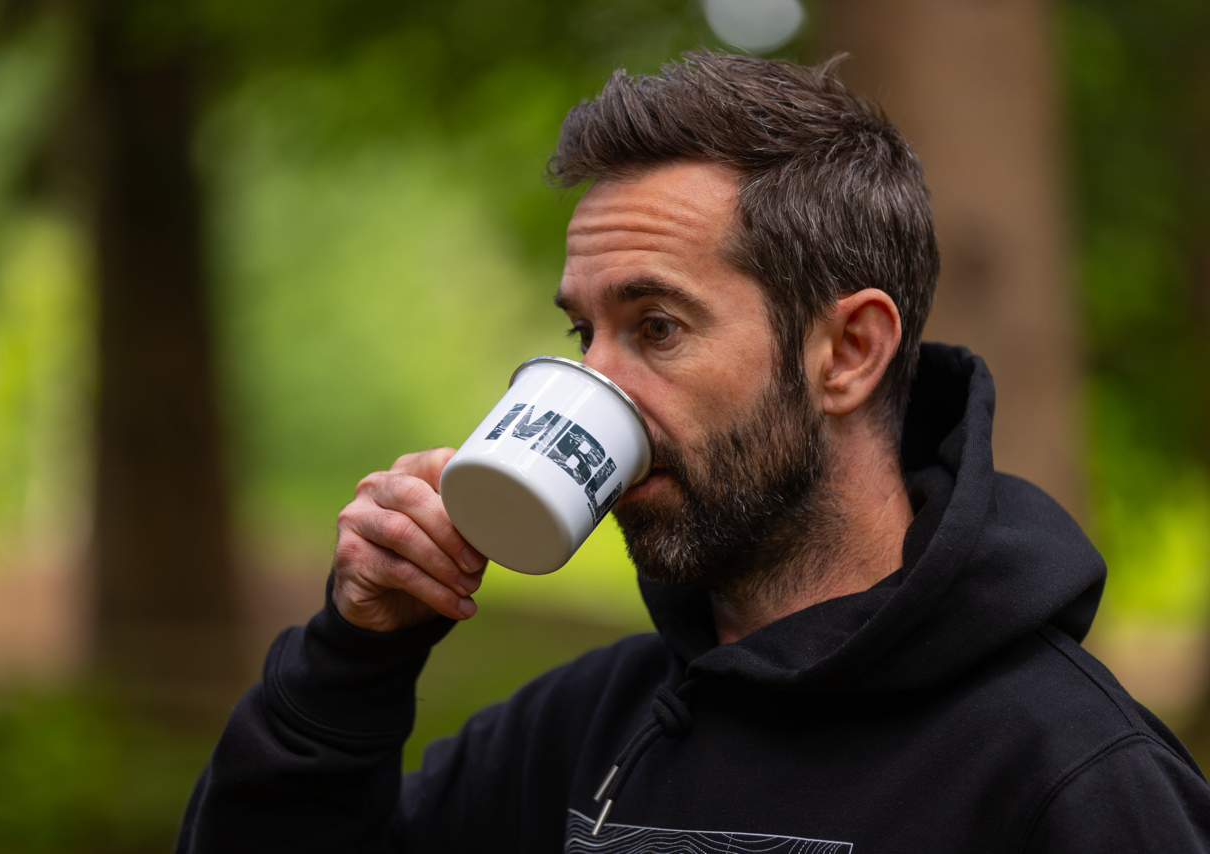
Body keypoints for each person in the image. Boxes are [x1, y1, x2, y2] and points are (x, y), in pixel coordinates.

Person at [175, 52, 1210, 852]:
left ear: (846, 351)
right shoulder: (581, 728)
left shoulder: (1070, 775)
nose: (602, 382)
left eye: (657, 325)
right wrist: (351, 660)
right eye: (586, 333)